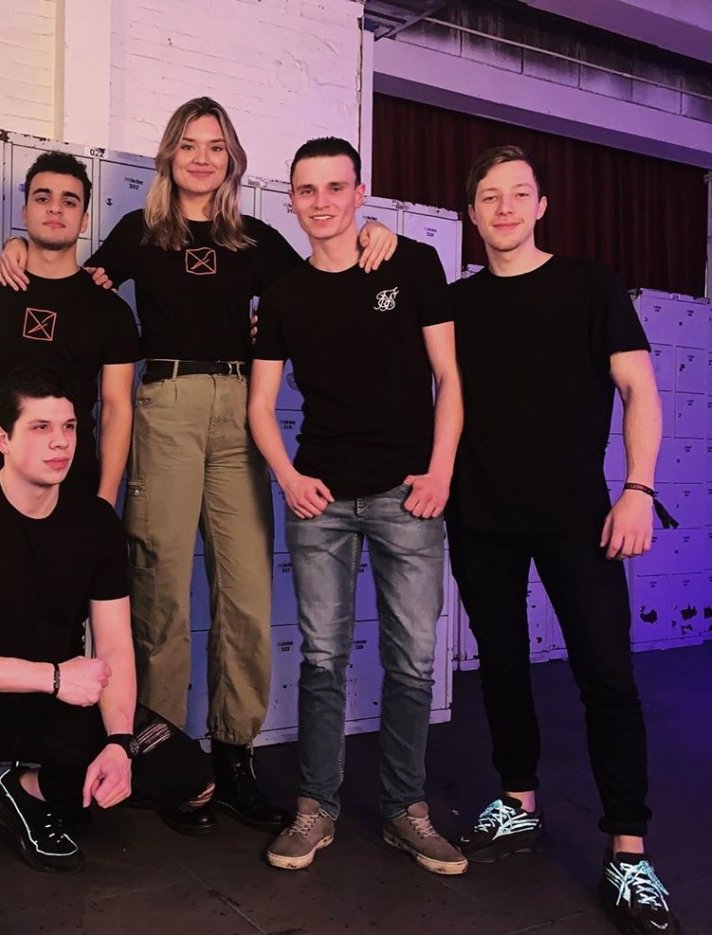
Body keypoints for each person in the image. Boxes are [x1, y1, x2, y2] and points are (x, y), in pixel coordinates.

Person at [0, 97, 397, 833]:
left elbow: (326, 276)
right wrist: (20, 248)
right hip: (167, 404)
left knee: (246, 592)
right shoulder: (140, 231)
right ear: (170, 156)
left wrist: (372, 231)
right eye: (189, 145)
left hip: (243, 411)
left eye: (215, 146)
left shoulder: (257, 240)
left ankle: (235, 757)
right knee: (162, 590)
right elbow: (73, 282)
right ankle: (164, 757)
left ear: (231, 158)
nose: (202, 158)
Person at [0, 366, 212, 935]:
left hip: (54, 704)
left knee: (189, 778)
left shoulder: (95, 523)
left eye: (70, 427)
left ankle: (24, 790)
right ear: (1, 438)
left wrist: (119, 743)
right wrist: (50, 676)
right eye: (40, 427)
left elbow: (114, 646)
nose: (60, 442)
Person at [447, 145, 680, 935]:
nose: (505, 208)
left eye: (519, 194)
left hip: (579, 515)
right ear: (471, 213)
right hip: (480, 514)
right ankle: (518, 798)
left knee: (607, 673)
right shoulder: (456, 302)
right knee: (502, 664)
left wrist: (639, 489)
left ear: (542, 205)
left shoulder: (590, 285)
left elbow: (639, 388)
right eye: (489, 196)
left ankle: (629, 847)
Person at [248, 137, 465, 875]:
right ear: (291, 199)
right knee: (322, 660)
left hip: (409, 494)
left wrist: (440, 471)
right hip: (321, 500)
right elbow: (260, 405)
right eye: (307, 190)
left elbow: (448, 377)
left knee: (412, 660)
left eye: (335, 187)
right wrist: (287, 475)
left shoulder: (413, 265)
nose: (322, 202)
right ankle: (316, 808)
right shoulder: (283, 294)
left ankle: (407, 810)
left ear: (359, 191)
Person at [0, 150, 139, 504]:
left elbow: (117, 408)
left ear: (84, 220)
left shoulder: (111, 310)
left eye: (69, 201)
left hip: (73, 490)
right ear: (24, 212)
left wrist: (105, 499)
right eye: (43, 198)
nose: (55, 209)